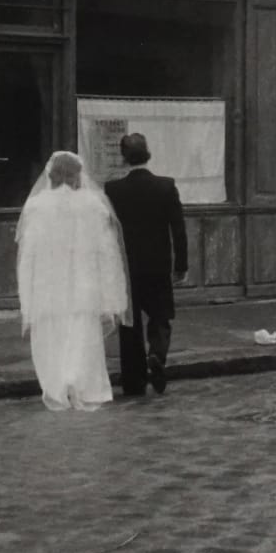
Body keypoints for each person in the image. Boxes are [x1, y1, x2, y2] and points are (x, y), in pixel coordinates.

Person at [15, 150, 130, 413]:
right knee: (82, 337)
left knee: (51, 338)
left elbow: (28, 254)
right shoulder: (93, 204)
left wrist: (27, 294)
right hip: (84, 283)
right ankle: (81, 385)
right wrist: (111, 293)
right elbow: (107, 252)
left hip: (48, 284)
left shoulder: (36, 206)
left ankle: (57, 386)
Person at [104, 133, 188, 396]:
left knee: (130, 324)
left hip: (127, 268)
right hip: (158, 264)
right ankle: (157, 355)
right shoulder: (165, 186)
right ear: (148, 153)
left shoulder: (113, 190)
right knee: (160, 315)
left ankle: (134, 380)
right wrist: (181, 265)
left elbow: (108, 232)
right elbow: (178, 229)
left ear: (124, 157)